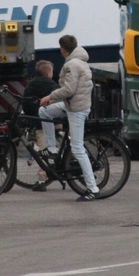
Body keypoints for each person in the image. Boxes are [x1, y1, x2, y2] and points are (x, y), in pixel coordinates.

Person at [38, 35, 99, 201]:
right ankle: (52, 148)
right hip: (72, 105)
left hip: (76, 109)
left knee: (77, 147)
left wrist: (50, 97)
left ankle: (93, 188)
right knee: (45, 112)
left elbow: (69, 89)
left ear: (63, 49)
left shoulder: (72, 64)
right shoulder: (81, 61)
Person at [23, 60, 58, 191]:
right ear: (49, 73)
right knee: (48, 149)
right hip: (52, 121)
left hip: (37, 121)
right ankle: (42, 178)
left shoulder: (31, 84)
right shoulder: (52, 84)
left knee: (44, 149)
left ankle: (41, 179)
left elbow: (26, 102)